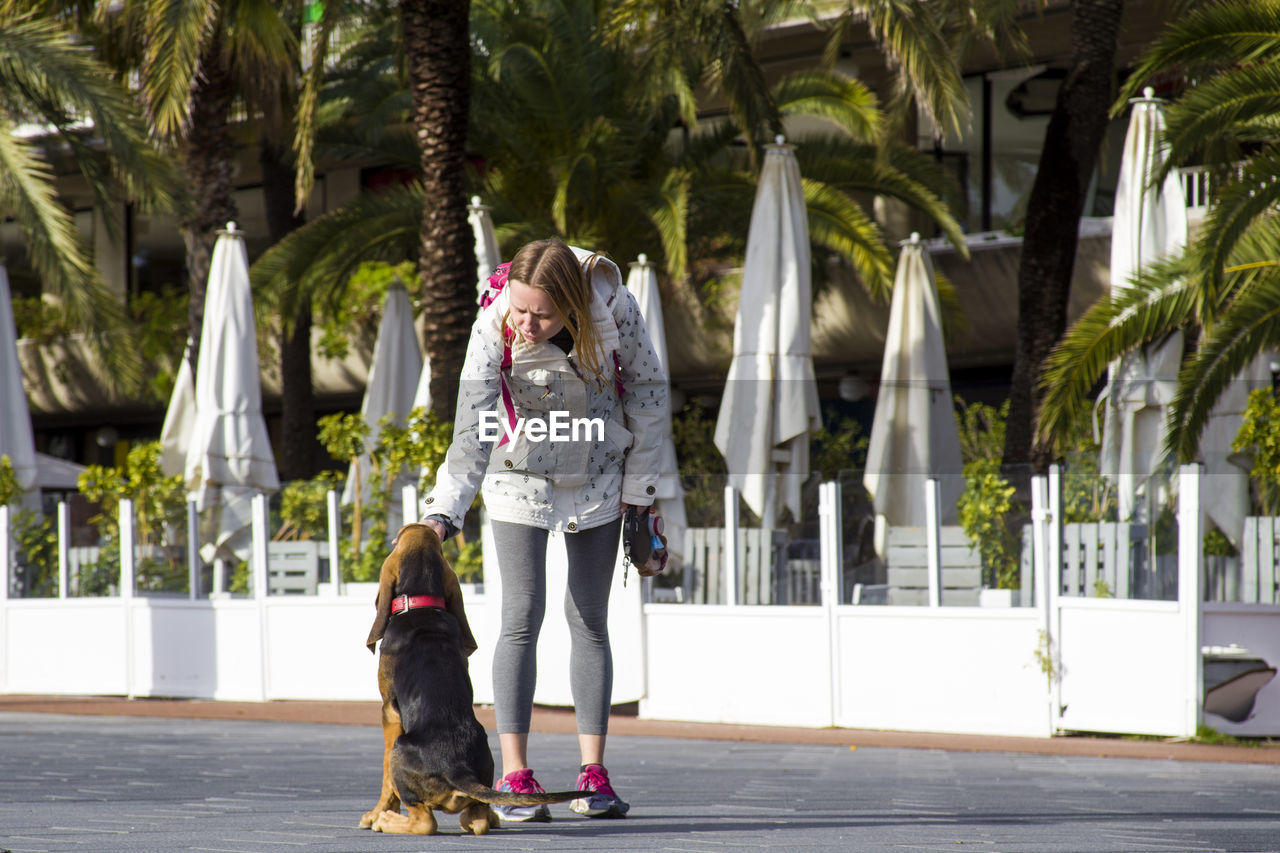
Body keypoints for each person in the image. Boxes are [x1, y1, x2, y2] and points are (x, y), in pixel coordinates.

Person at [418, 238, 667, 821]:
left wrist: (639, 496)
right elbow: (473, 423)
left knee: (589, 619)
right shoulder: (494, 322)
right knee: (520, 617)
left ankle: (593, 773)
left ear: (576, 306)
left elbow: (650, 397)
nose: (527, 323)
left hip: (599, 475)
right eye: (520, 308)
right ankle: (516, 774)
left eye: (543, 314)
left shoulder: (618, 311)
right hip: (518, 476)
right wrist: (444, 510)